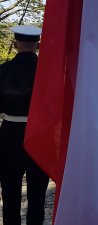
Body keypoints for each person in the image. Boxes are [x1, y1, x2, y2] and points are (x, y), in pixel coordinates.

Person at [0, 25, 49, 225]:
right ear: (38, 45)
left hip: (9, 136)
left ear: (14, 44)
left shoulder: (3, 70)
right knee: (37, 196)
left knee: (10, 195)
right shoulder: (49, 73)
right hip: (41, 136)